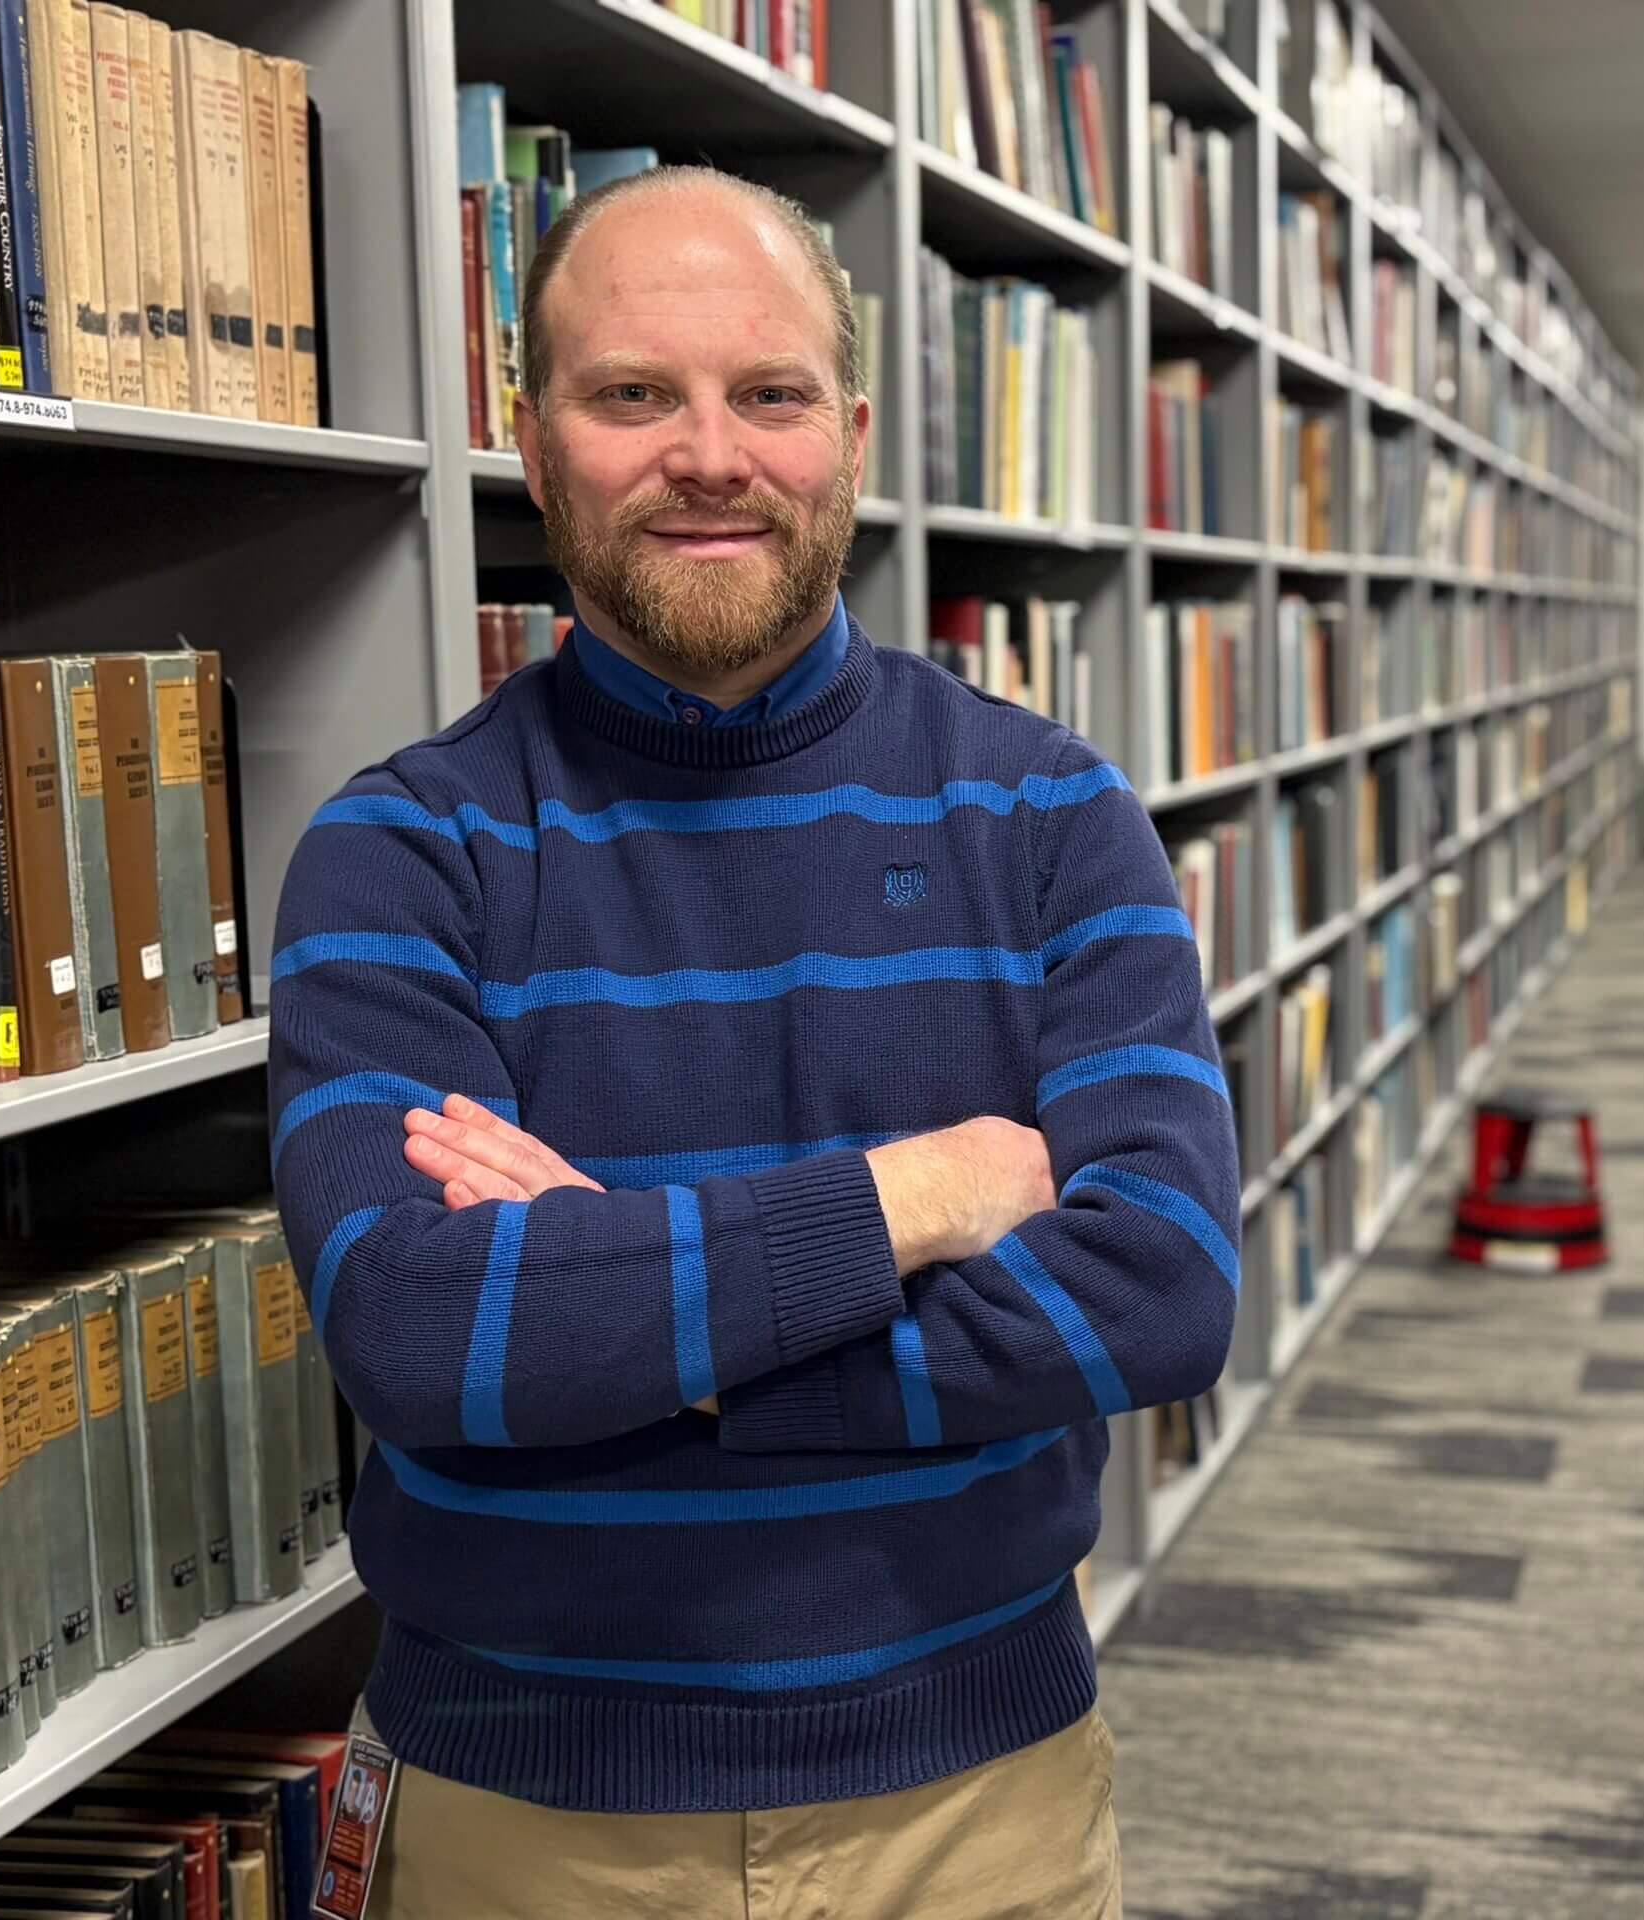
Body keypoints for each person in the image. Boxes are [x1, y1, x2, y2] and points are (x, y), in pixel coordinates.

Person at [266, 163, 1241, 1917]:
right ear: (534, 429)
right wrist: (917, 1194)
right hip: (521, 1822)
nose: (709, 454)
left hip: (976, 1812)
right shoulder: (399, 851)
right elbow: (417, 1335)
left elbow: (1162, 1284)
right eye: (632, 393)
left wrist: (632, 1314)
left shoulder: (1050, 819)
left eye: (768, 393)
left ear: (852, 429)